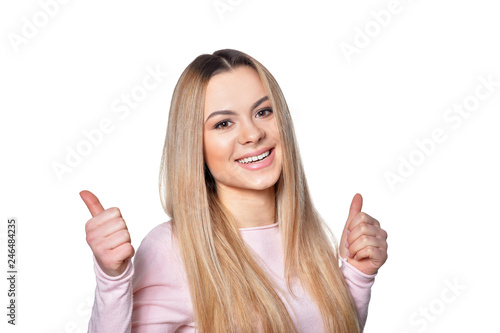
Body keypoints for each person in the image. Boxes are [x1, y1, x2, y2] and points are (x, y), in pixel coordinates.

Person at [80, 49, 388, 332]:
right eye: (224, 123)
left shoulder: (308, 237)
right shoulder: (174, 249)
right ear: (194, 146)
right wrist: (112, 279)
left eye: (263, 112)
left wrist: (358, 276)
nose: (253, 133)